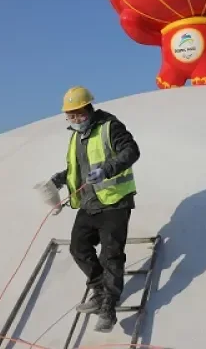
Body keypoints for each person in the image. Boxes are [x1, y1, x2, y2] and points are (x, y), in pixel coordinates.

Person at [48, 86, 140, 333]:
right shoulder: (76, 136)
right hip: (89, 203)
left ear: (89, 108)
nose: (75, 119)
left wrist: (107, 170)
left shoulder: (110, 126)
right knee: (79, 248)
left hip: (115, 201)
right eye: (71, 115)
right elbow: (77, 169)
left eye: (79, 114)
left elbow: (131, 151)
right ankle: (99, 291)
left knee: (111, 254)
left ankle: (109, 307)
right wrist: (58, 180)